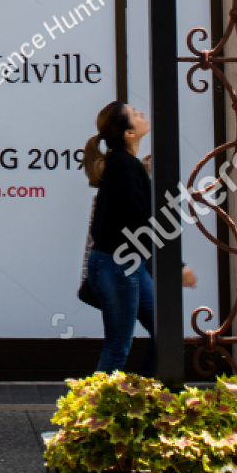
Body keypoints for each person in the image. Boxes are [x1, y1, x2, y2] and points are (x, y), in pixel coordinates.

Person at [81, 100, 155, 375]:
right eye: (135, 114)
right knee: (118, 346)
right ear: (129, 133)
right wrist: (178, 266)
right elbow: (140, 221)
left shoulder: (126, 165)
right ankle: (96, 413)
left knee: (164, 333)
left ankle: (145, 400)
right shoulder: (122, 165)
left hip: (126, 264)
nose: (142, 114)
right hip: (117, 265)